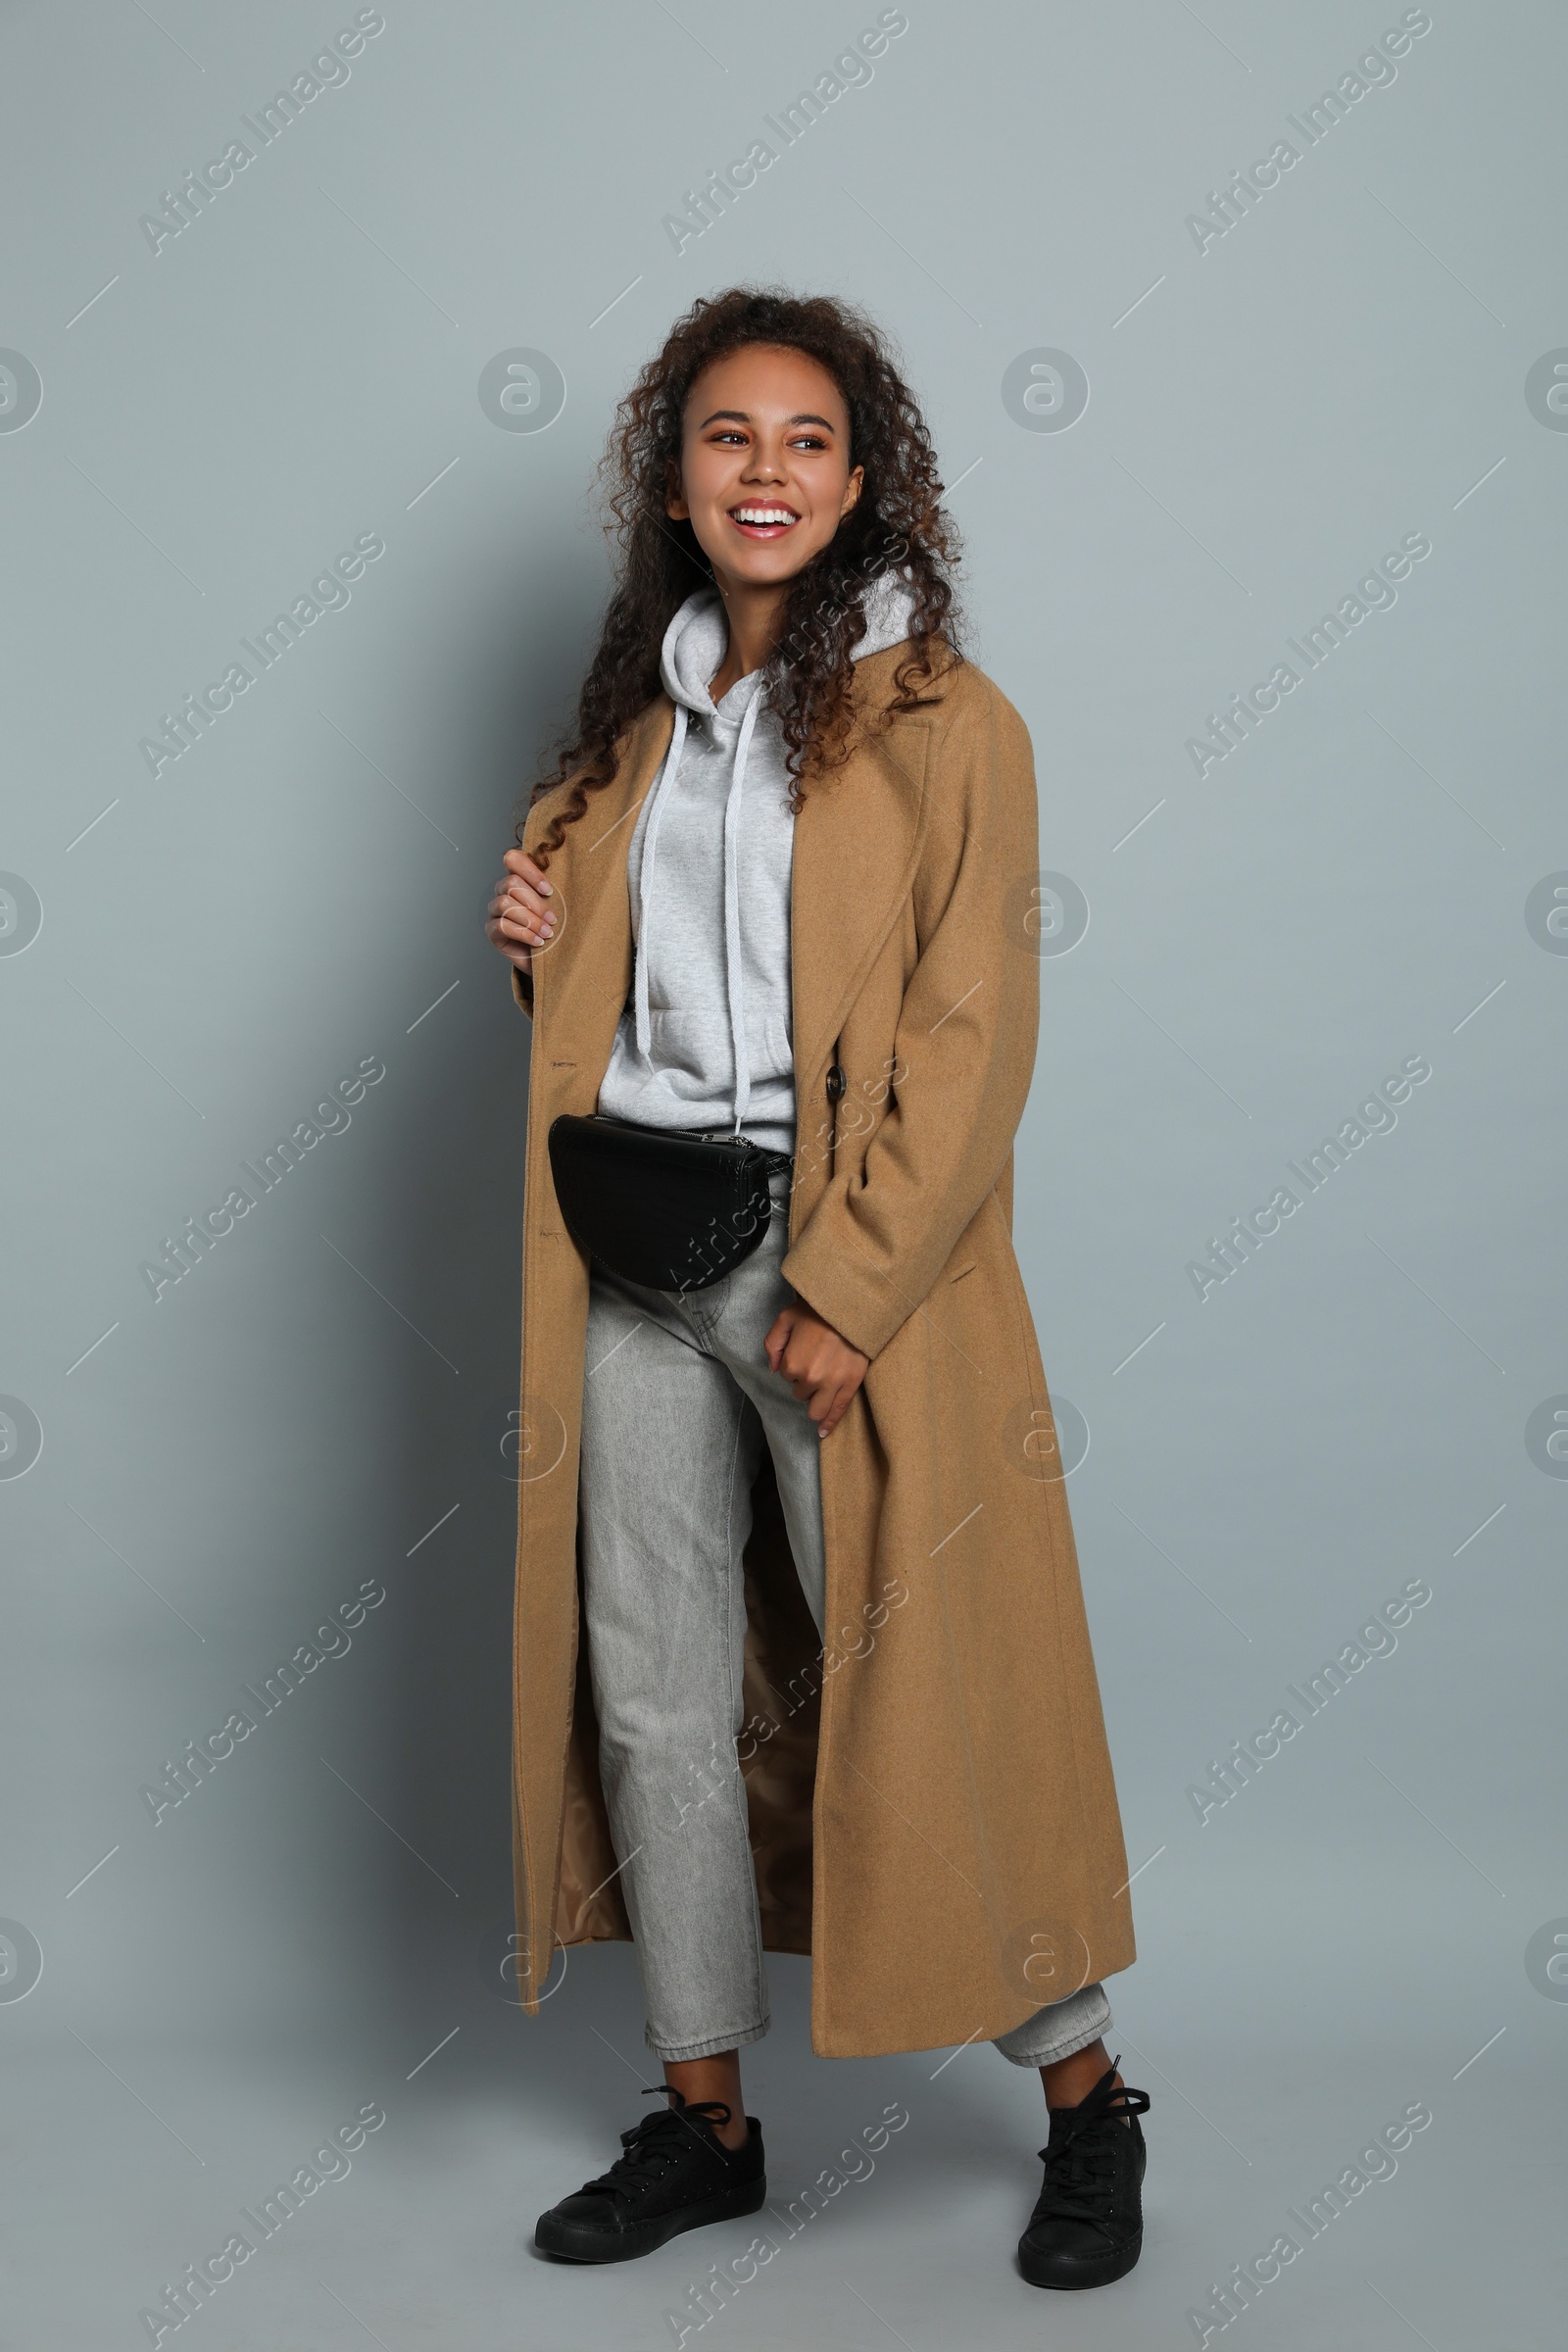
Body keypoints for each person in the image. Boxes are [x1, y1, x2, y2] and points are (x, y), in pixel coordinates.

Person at [486, 287, 1150, 2290]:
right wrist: (533, 924)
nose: (760, 471)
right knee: (656, 1694)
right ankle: (704, 2123)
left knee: (924, 1689)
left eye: (801, 440)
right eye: (722, 438)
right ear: (672, 483)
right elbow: (612, 977)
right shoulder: (634, 719)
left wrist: (849, 1285)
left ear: (862, 484)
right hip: (624, 1253)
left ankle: (1086, 2100)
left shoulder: (950, 720)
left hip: (826, 1264)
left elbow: (970, 1033)